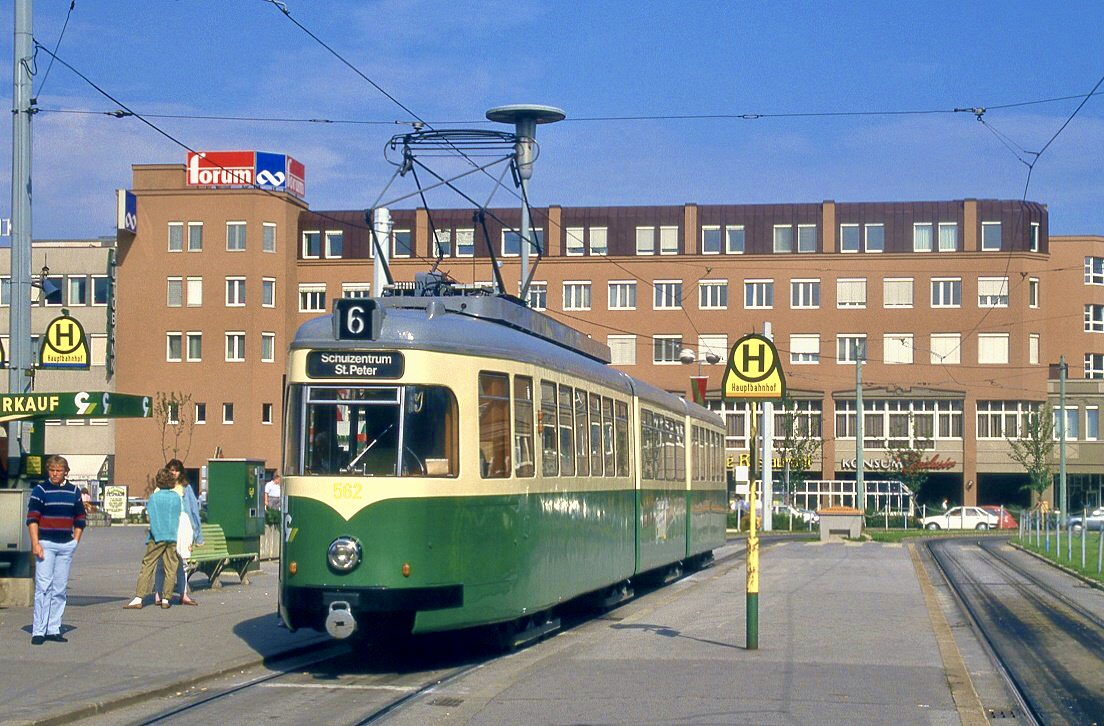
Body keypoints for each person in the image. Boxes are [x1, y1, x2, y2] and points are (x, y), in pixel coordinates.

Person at [25, 455, 86, 645]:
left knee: (59, 589)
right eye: (52, 470)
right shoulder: (40, 490)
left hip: (65, 545)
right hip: (46, 544)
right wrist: (35, 543)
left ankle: (53, 628)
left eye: (59, 470)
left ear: (65, 472)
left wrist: (75, 541)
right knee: (44, 587)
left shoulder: (74, 491)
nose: (55, 474)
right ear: (48, 471)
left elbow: (80, 518)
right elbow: (32, 518)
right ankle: (38, 630)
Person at [124, 469, 182, 610]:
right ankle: (166, 599)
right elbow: (178, 514)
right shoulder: (176, 497)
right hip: (171, 536)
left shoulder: (154, 498)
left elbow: (151, 517)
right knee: (171, 567)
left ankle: (139, 598)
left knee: (148, 565)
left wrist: (154, 533)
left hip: (157, 536)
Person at [154, 459, 202, 606]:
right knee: (162, 561)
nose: (173, 473)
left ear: (180, 472)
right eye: (171, 470)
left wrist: (198, 535)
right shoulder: (161, 487)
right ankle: (158, 593)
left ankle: (183, 593)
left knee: (182, 562)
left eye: (176, 470)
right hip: (166, 526)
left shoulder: (185, 488)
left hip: (182, 526)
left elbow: (194, 511)